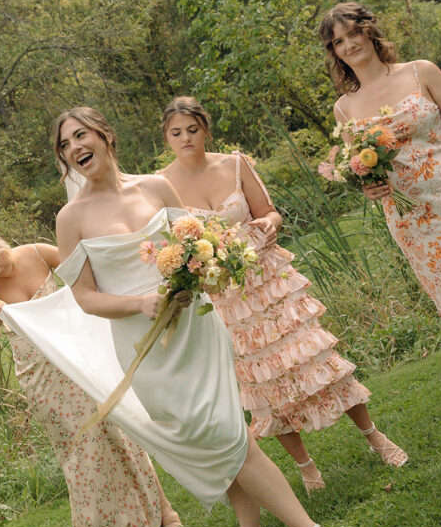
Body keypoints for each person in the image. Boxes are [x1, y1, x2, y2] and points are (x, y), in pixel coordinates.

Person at [3, 108, 348, 527]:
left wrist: (194, 273)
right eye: (64, 145)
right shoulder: (70, 218)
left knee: (229, 434)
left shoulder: (155, 189)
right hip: (144, 346)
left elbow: (196, 244)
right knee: (216, 440)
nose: (74, 148)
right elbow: (84, 297)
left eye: (81, 135)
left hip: (194, 328)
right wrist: (140, 302)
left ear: (104, 136)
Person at [158, 96, 407, 492]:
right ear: (167, 138)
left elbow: (270, 212)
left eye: (192, 129)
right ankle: (307, 467)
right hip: (229, 300)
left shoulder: (235, 162)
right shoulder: (162, 186)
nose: (186, 138)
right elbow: (174, 246)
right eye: (176, 133)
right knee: (263, 383)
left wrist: (269, 224)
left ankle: (374, 435)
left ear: (205, 129)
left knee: (316, 356)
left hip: (270, 281)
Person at [0, 222, 183, 527]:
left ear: (0, 241)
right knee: (81, 452)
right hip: (40, 374)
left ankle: (165, 513)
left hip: (78, 353)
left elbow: (86, 279)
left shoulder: (39, 253)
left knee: (119, 428)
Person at [319, 1, 441, 322]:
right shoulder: (344, 108)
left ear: (369, 31)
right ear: (334, 52)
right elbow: (362, 168)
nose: (349, 44)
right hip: (412, 220)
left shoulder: (422, 71)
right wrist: (368, 187)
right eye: (338, 41)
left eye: (353, 33)